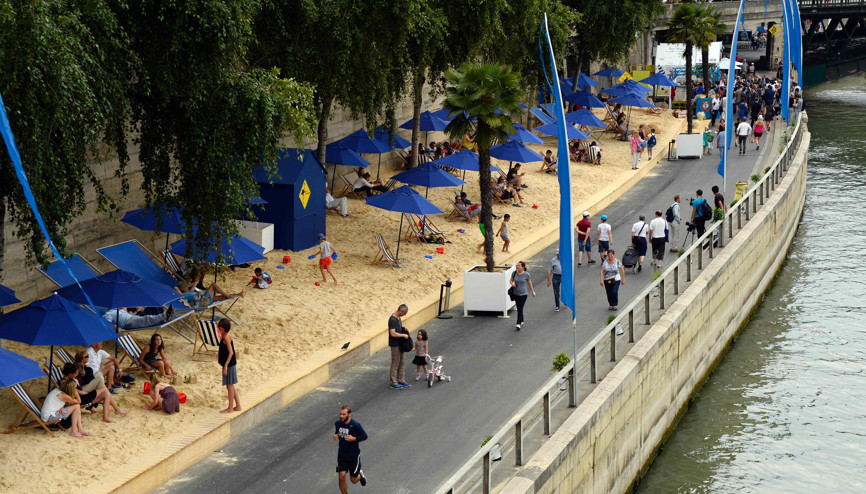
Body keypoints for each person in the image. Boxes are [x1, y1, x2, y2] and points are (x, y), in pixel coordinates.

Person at [73, 352, 128, 422]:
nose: (88, 357)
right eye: (87, 356)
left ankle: (106, 417)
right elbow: (81, 382)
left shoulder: (84, 366)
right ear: (82, 359)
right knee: (100, 379)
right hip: (83, 391)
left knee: (106, 393)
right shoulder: (78, 367)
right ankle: (117, 409)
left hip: (85, 389)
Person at [41, 366, 88, 437]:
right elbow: (79, 401)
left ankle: (80, 429)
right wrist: (75, 390)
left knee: (76, 406)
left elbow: (55, 403)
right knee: (76, 406)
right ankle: (74, 431)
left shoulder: (58, 391)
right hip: (49, 418)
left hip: (47, 415)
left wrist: (61, 407)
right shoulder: (63, 395)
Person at [334, 405, 368, 492]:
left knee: (353, 480)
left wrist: (354, 439)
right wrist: (336, 435)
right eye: (340, 414)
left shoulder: (355, 425)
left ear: (349, 415)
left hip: (353, 456)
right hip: (342, 455)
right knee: (341, 476)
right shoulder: (338, 423)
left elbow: (364, 436)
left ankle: (360, 475)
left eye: (344, 414)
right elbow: (337, 432)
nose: (341, 416)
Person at [218, 318, 241, 413]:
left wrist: (226, 365)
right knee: (231, 385)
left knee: (230, 386)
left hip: (229, 364)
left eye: (220, 327)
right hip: (229, 364)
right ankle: (238, 406)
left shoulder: (226, 337)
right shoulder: (224, 336)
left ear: (222, 328)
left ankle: (230, 408)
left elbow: (231, 352)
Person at [387, 304, 412, 389]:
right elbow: (393, 333)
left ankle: (401, 380)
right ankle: (393, 382)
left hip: (400, 343)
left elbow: (398, 328)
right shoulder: (392, 319)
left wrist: (403, 328)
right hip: (395, 344)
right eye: (404, 313)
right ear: (401, 311)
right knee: (395, 363)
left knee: (401, 362)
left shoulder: (398, 318)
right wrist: (403, 335)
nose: (405, 314)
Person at [510, 261, 535, 330]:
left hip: (523, 294)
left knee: (520, 308)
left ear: (523, 267)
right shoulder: (514, 273)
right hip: (516, 293)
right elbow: (511, 280)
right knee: (519, 308)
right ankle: (522, 320)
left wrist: (533, 291)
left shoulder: (527, 275)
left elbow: (530, 283)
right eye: (517, 265)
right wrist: (512, 284)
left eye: (519, 266)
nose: (517, 267)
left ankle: (518, 323)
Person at [102, 306, 173, 330]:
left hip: (132, 318)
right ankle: (165, 315)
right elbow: (107, 324)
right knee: (146, 319)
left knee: (146, 319)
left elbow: (125, 310)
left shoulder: (117, 310)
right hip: (127, 323)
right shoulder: (108, 313)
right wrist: (115, 327)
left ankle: (165, 319)